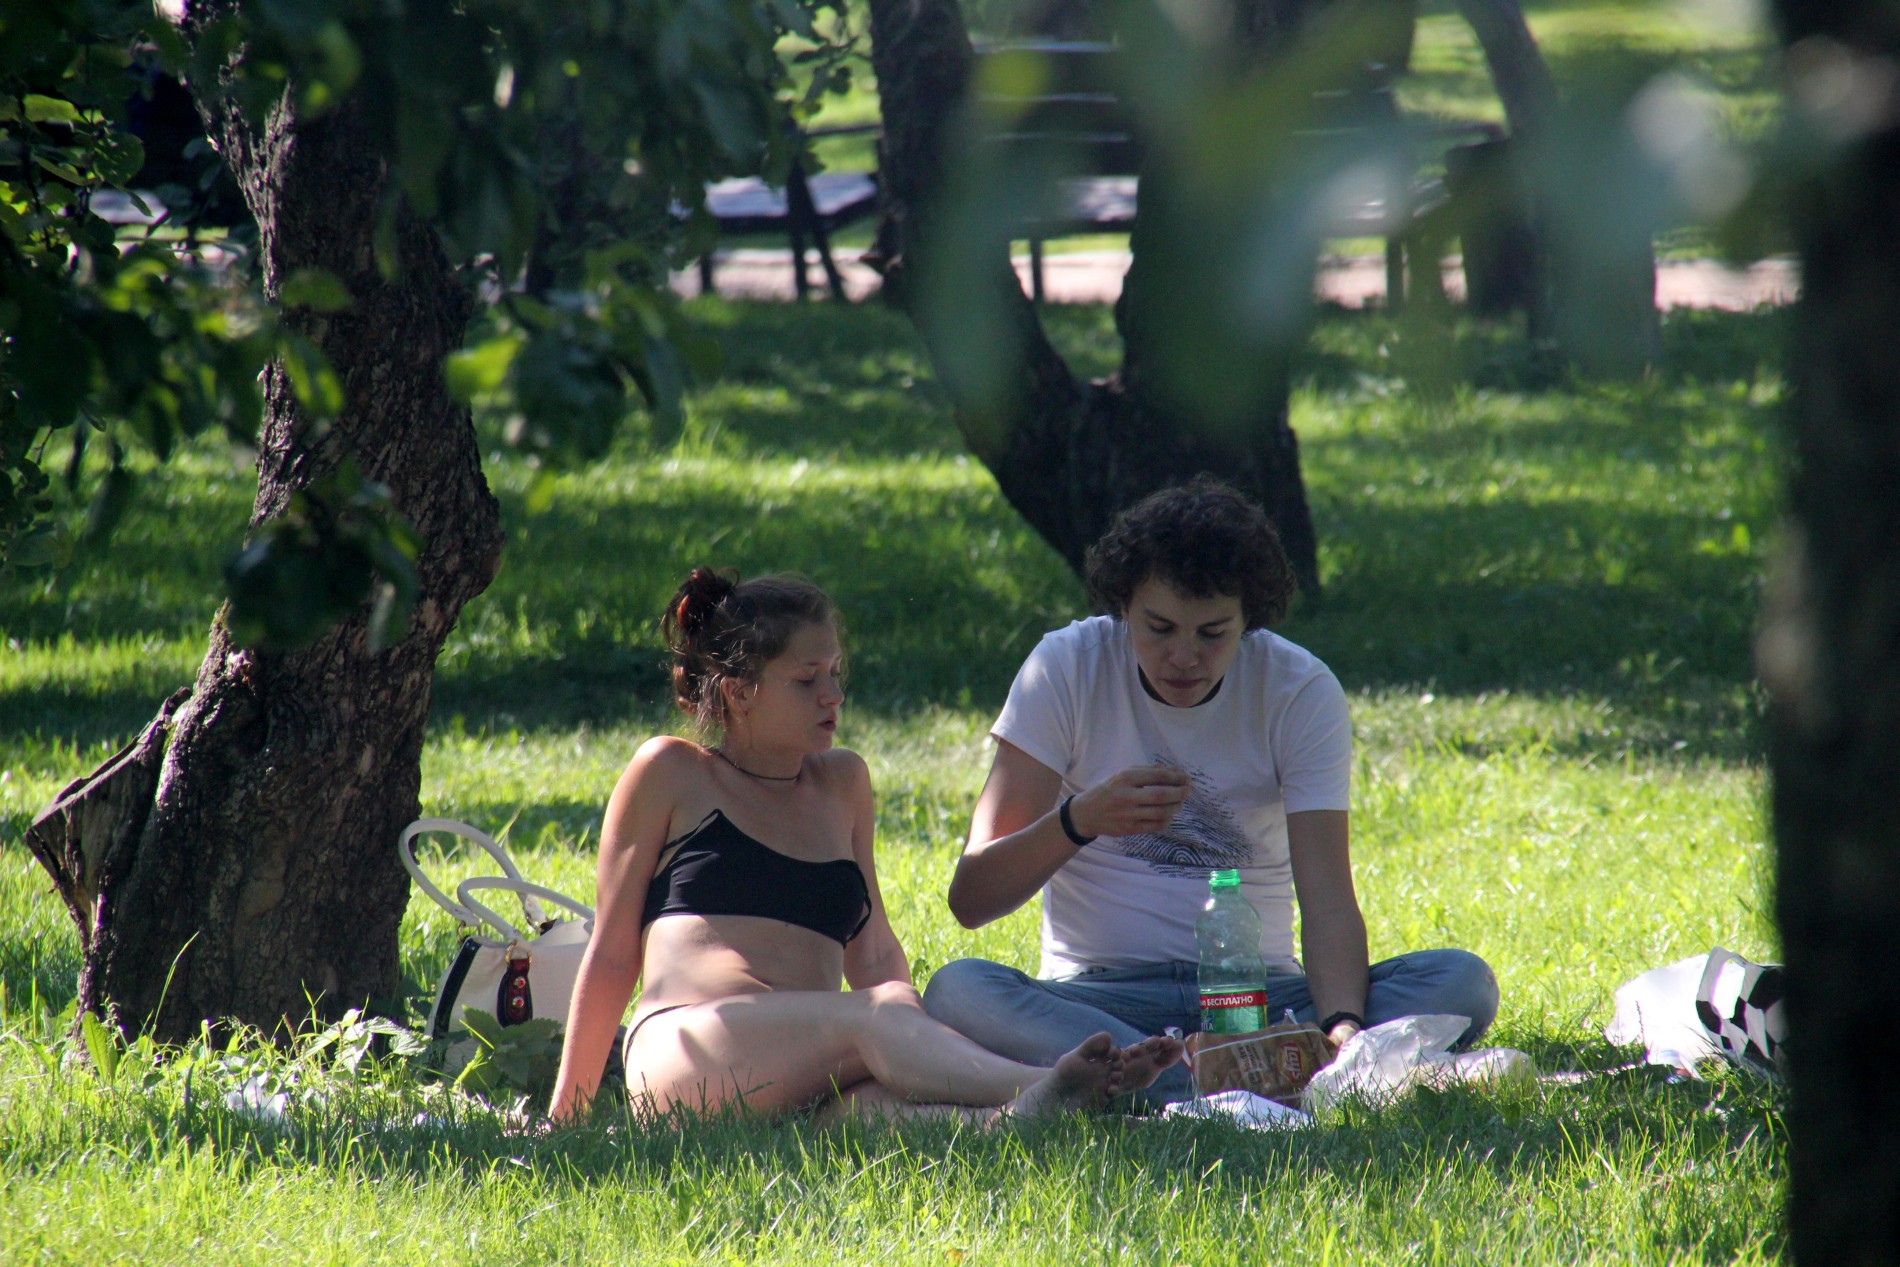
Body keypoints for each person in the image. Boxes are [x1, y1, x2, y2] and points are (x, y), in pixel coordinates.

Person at [921, 477, 1498, 1106]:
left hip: (1259, 997)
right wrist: (1079, 819)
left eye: (1212, 633)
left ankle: (1152, 1080)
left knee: (1461, 980)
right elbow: (972, 899)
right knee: (957, 990)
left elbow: (1328, 899)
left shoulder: (1298, 689)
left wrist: (1344, 1027)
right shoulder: (1065, 666)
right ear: (1123, 607)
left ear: (1249, 618)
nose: (1183, 657)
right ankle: (1238, 1081)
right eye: (1159, 628)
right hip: (1099, 997)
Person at [548, 567, 1183, 1125]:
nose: (834, 696)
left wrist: (911, 1041)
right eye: (806, 680)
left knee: (898, 1111)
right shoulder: (672, 772)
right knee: (874, 1015)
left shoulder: (843, 783)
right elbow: (609, 953)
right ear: (741, 691)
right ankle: (1048, 1083)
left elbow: (874, 950)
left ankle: (1029, 1113)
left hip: (815, 1063)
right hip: (688, 1052)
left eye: (835, 673)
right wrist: (566, 1113)